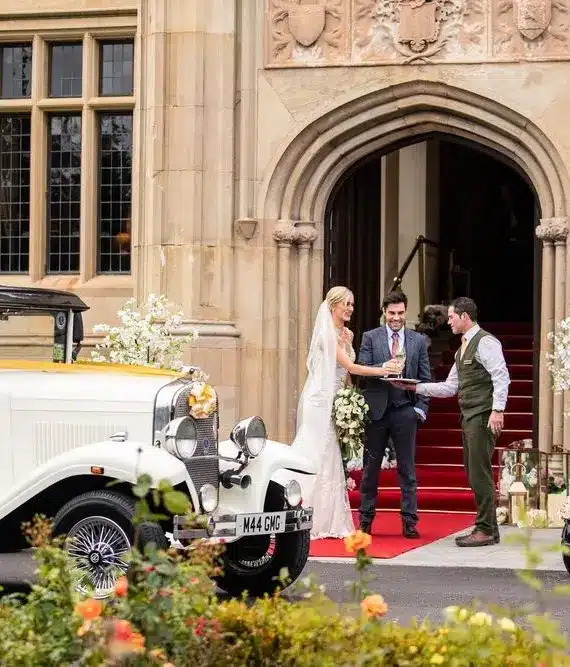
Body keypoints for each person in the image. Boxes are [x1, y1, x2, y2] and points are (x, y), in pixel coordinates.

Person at [392, 296, 510, 547]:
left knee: (479, 472)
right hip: (468, 415)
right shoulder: (461, 349)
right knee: (472, 471)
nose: (449, 321)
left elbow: (501, 376)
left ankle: (486, 529)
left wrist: (497, 410)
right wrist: (415, 388)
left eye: (452, 317)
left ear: (465, 316)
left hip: (482, 414)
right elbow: (450, 387)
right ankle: (488, 528)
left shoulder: (485, 342)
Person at [292, 286, 400, 539]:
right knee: (317, 452)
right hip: (319, 399)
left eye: (353, 304)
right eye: (347, 304)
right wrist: (384, 370)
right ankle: (308, 514)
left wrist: (350, 398)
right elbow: (351, 365)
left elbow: (347, 374)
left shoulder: (348, 334)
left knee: (332, 455)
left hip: (336, 398)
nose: (351, 308)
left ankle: (330, 517)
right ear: (333, 306)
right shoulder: (326, 334)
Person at [358, 291, 432, 538]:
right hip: (376, 411)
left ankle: (409, 521)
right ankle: (366, 520)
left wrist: (419, 409)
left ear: (406, 312)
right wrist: (383, 368)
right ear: (384, 313)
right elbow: (361, 369)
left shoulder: (418, 341)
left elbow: (425, 377)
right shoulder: (370, 337)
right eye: (392, 313)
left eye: (400, 313)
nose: (396, 318)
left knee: (407, 470)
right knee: (370, 469)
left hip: (404, 411)